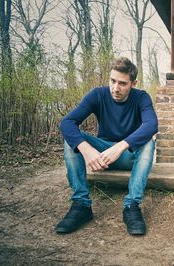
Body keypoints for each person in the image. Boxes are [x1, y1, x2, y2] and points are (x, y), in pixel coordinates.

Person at [56, 57, 158, 236]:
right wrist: (86, 149)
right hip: (102, 156)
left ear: (133, 83)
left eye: (122, 83)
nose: (115, 88)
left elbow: (151, 125)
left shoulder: (141, 97)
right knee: (72, 137)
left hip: (127, 156)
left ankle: (132, 205)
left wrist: (120, 147)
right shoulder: (98, 94)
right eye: (112, 81)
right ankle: (81, 205)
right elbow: (67, 122)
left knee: (148, 142)